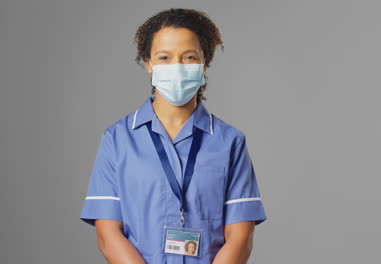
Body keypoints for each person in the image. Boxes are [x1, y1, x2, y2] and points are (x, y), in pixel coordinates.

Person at [80, 8, 267, 264]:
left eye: (189, 57)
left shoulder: (230, 142)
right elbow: (108, 234)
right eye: (164, 57)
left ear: (205, 63)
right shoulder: (117, 140)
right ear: (148, 62)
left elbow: (240, 237)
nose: (177, 67)